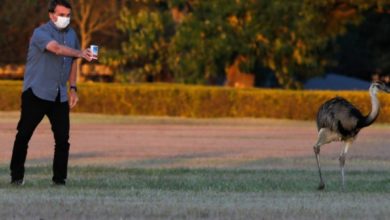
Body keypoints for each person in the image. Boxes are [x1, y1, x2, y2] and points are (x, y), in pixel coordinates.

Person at [10, 0, 95, 186]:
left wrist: (73, 88)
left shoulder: (72, 34)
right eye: (62, 15)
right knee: (24, 135)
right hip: (37, 92)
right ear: (51, 15)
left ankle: (59, 180)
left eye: (68, 15)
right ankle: (16, 177)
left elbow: (73, 61)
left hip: (59, 95)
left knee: (63, 139)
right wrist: (80, 53)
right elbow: (56, 49)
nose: (65, 18)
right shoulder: (40, 33)